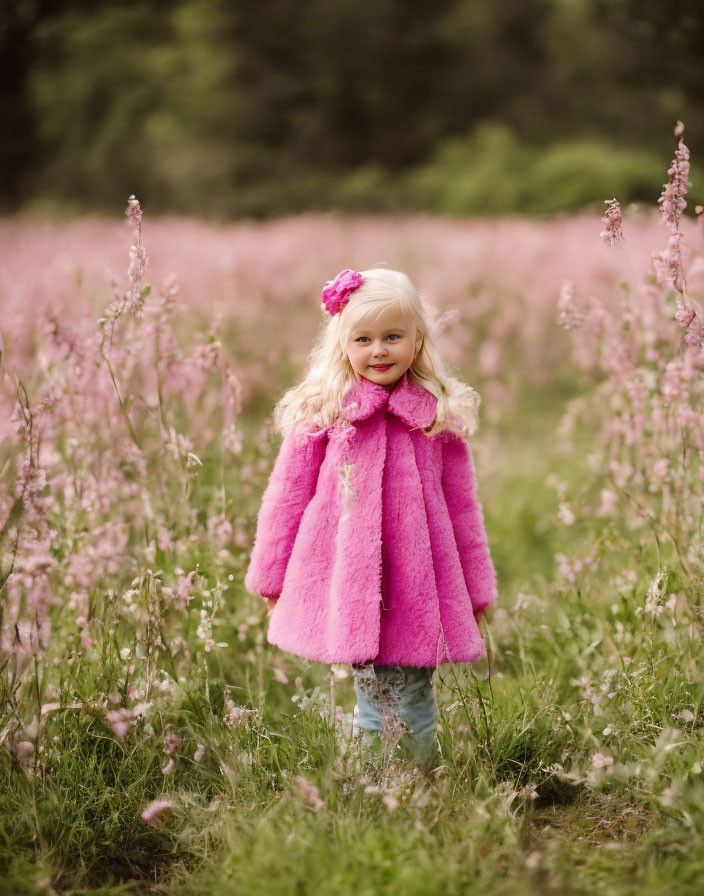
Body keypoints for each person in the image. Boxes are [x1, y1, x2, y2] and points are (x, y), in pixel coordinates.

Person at [244, 266, 498, 773]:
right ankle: (376, 792)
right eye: (364, 338)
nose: (378, 350)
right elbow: (286, 497)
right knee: (375, 703)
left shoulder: (434, 417)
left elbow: (463, 508)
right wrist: (271, 576)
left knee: (417, 704)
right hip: (353, 585)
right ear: (343, 343)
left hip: (421, 585)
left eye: (392, 337)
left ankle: (417, 790)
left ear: (416, 340)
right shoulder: (325, 413)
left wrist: (476, 590)